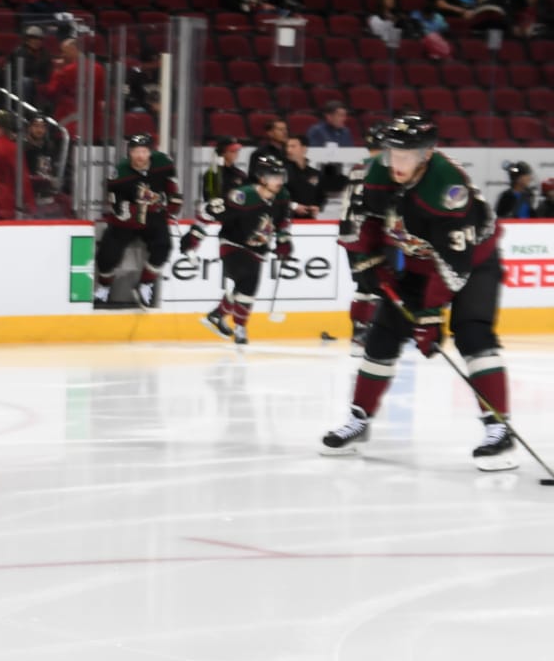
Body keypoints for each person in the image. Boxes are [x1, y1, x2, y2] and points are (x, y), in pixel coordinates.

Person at [322, 114, 516, 470]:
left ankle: (498, 430)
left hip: (473, 262)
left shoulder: (448, 188)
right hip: (418, 261)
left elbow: (454, 266)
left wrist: (428, 318)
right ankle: (358, 418)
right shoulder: (371, 173)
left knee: (473, 334)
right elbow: (357, 224)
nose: (397, 163)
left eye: (407, 156)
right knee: (381, 338)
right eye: (392, 154)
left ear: (426, 156)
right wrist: (368, 266)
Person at [183, 154, 292, 347]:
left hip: (258, 247)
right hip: (232, 243)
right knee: (245, 272)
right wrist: (192, 240)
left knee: (248, 289)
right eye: (274, 176)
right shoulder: (242, 196)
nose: (279, 181)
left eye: (280, 176)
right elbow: (209, 213)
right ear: (262, 178)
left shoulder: (282, 196)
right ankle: (226, 319)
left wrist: (284, 241)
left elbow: (283, 222)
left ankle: (225, 319)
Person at [95, 132, 178, 308]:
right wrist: (121, 210)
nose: (140, 156)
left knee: (164, 246)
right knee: (107, 254)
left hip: (152, 215)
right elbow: (114, 200)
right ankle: (103, 287)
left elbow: (171, 185)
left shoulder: (163, 163)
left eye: (144, 151)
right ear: (129, 153)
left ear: (150, 152)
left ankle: (145, 284)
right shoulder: (120, 173)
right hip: (127, 219)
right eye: (136, 151)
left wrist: (173, 204)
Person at [336, 122, 386, 348]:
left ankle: (359, 329)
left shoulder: (359, 166)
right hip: (367, 235)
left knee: (364, 286)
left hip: (349, 236)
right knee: (378, 284)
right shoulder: (381, 167)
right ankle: (372, 330)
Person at [200, 137, 245, 207]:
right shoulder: (212, 174)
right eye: (232, 151)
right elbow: (210, 199)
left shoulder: (240, 174)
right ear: (223, 153)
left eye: (237, 151)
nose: (236, 154)